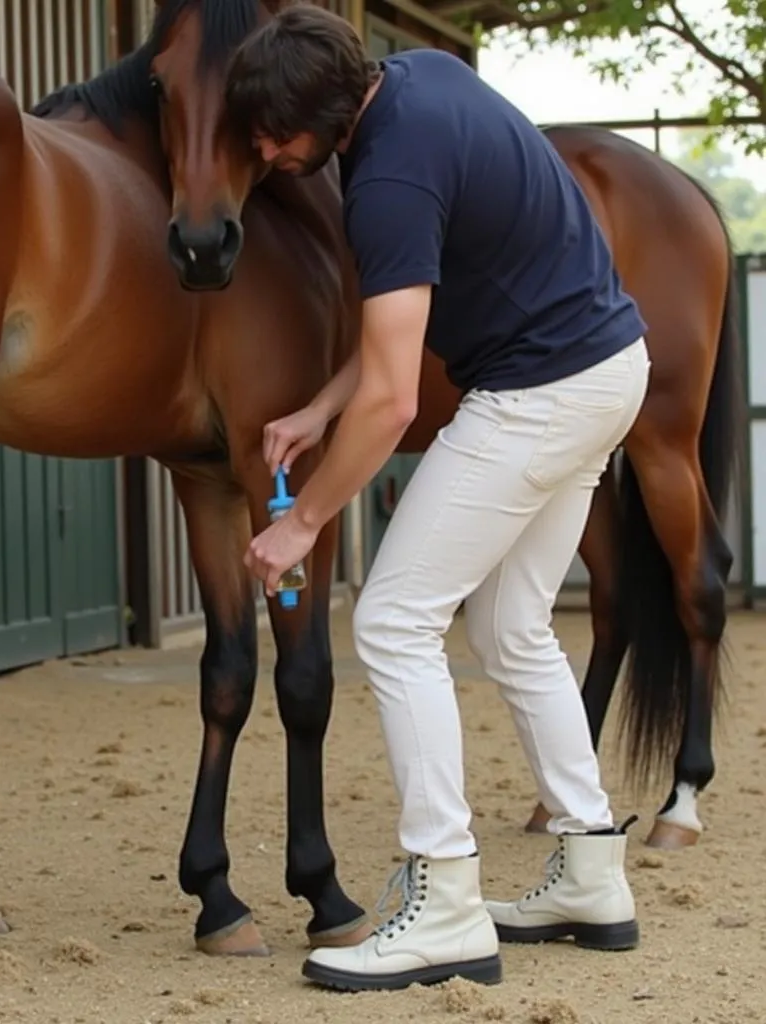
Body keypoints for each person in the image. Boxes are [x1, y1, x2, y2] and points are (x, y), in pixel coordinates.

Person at [226, 3, 649, 994]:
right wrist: (318, 407)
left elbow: (392, 400)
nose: (259, 150)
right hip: (605, 367)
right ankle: (590, 869)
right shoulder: (419, 83)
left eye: (267, 131)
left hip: (539, 389)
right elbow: (393, 335)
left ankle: (445, 897)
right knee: (509, 624)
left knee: (393, 617)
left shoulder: (386, 179)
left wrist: (299, 520)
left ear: (319, 115)